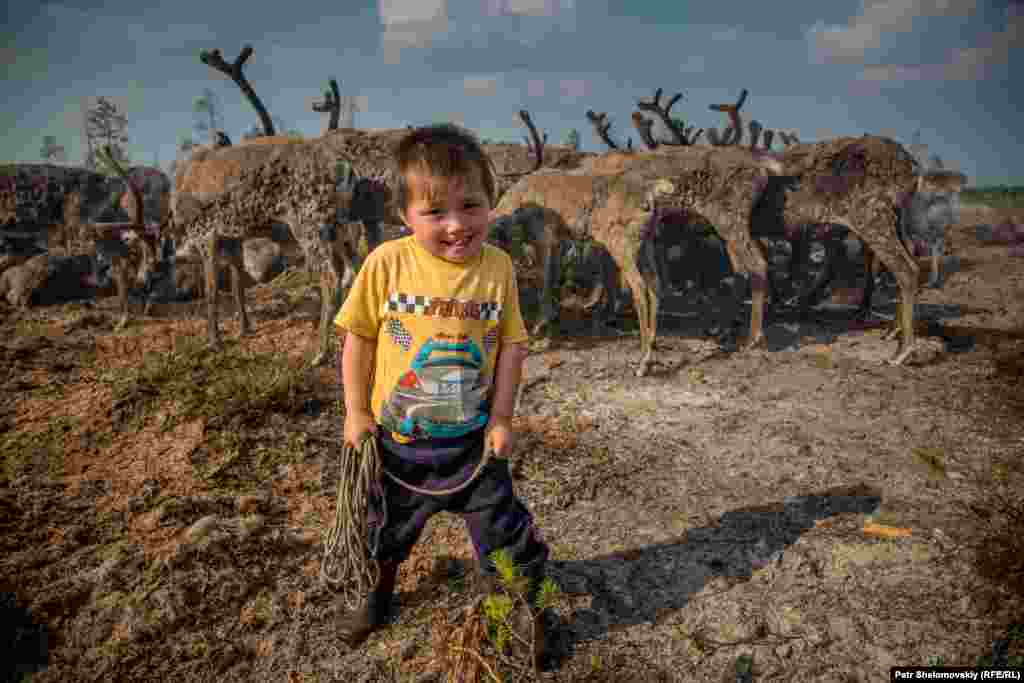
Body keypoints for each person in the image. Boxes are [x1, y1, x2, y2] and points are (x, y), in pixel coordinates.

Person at [333, 123, 550, 660]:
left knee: (506, 531)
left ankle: (519, 608)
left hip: (474, 446)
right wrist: (356, 411)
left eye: (470, 205)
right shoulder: (387, 263)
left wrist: (502, 418)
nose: (456, 225)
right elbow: (359, 337)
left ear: (491, 203)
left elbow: (512, 347)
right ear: (405, 215)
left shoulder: (497, 268)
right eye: (434, 212)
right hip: (399, 446)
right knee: (381, 527)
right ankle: (372, 589)